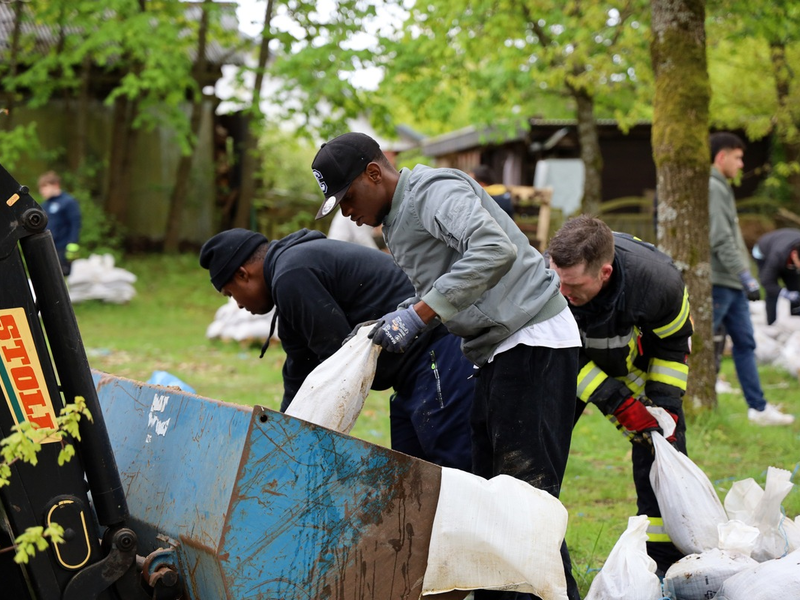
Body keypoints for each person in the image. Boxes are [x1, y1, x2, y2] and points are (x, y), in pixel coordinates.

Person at [311, 132, 582, 600]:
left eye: (348, 198)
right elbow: (448, 277)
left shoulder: (434, 192)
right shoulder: (396, 218)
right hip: (496, 349)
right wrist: (396, 314)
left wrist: (420, 314)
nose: (347, 213)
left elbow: (494, 249)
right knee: (492, 500)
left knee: (524, 501)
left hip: (532, 340)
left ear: (374, 173)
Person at [199, 227, 475, 471]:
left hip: (439, 356)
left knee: (453, 473)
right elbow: (299, 370)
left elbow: (338, 363)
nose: (236, 304)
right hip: (413, 372)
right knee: (416, 474)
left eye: (231, 293)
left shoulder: (292, 275)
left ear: (242, 274)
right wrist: (282, 440)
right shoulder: (287, 278)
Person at [547, 215, 691, 575]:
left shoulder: (658, 283)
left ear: (605, 273)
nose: (562, 294)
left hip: (636, 365)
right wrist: (614, 401)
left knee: (662, 454)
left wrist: (665, 406)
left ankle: (664, 563)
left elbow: (672, 346)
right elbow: (557, 352)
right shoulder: (543, 279)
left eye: (574, 286)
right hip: (565, 362)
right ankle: (536, 551)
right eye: (557, 281)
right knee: (537, 449)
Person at [708, 132, 794, 425]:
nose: (742, 164)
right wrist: (745, 275)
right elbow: (720, 239)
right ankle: (698, 403)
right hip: (721, 280)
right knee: (704, 344)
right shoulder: (713, 186)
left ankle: (757, 409)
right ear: (722, 157)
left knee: (745, 343)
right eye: (738, 157)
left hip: (731, 284)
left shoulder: (722, 187)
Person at [752, 228, 800, 325]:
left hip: (787, 250)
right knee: (772, 290)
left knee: (795, 286)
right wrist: (783, 293)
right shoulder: (777, 255)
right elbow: (766, 281)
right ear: (794, 255)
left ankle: (796, 321)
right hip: (763, 252)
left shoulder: (795, 255)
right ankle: (771, 323)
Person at [37, 171, 81, 276]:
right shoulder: (45, 205)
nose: (42, 191)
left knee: (61, 277)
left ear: (55, 185)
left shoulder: (68, 202)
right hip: (49, 245)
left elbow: (75, 223)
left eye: (45, 187)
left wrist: (73, 243)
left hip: (63, 247)